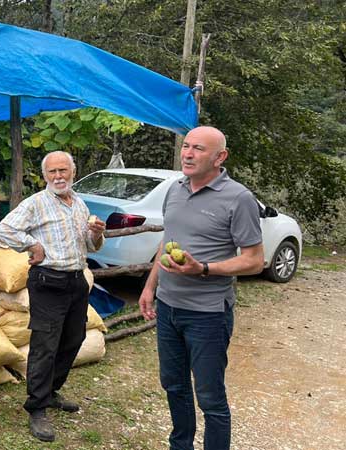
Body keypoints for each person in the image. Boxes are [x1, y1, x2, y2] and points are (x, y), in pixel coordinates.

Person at [139, 126, 264, 450]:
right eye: (187, 146)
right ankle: (181, 445)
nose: (188, 153)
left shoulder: (239, 198)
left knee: (210, 397)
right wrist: (150, 287)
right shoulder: (175, 189)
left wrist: (205, 269)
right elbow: (168, 240)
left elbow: (253, 260)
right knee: (174, 385)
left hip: (207, 315)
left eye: (198, 149)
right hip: (168, 308)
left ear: (220, 157)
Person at [0, 151, 106, 442]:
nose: (59, 176)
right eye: (52, 172)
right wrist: (32, 245)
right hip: (48, 282)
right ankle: (37, 406)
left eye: (63, 170)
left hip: (76, 281)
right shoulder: (36, 203)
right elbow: (4, 229)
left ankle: (52, 391)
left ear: (73, 171)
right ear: (45, 176)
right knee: (45, 345)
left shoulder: (79, 204)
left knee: (74, 338)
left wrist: (97, 233)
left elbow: (90, 247)